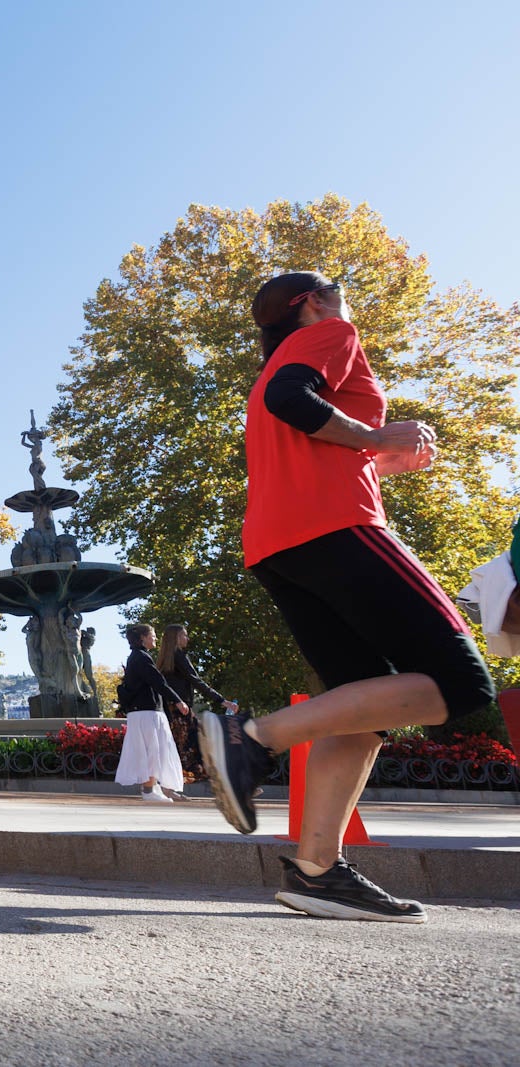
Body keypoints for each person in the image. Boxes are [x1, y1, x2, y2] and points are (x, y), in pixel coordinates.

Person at [198, 272, 494, 923]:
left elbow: (303, 434)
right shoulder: (330, 332)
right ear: (313, 302)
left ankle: (317, 871)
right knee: (463, 681)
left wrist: (378, 460)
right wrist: (379, 437)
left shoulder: (270, 368)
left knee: (361, 710)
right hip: (335, 528)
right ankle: (252, 738)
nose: (343, 300)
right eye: (336, 289)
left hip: (279, 545)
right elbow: (293, 399)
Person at [114, 624, 188, 802]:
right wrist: (178, 700)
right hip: (146, 712)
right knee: (154, 750)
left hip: (143, 712)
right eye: (152, 635)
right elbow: (159, 682)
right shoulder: (142, 658)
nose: (155, 638)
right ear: (143, 638)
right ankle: (149, 790)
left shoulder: (137, 657)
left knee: (152, 750)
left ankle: (152, 787)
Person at [156, 623, 236, 780]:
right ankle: (220, 779)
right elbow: (196, 681)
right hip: (182, 709)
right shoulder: (179, 656)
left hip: (171, 709)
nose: (187, 638)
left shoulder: (165, 660)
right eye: (184, 635)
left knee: (181, 746)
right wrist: (222, 701)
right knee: (195, 744)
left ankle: (180, 780)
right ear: (176, 638)